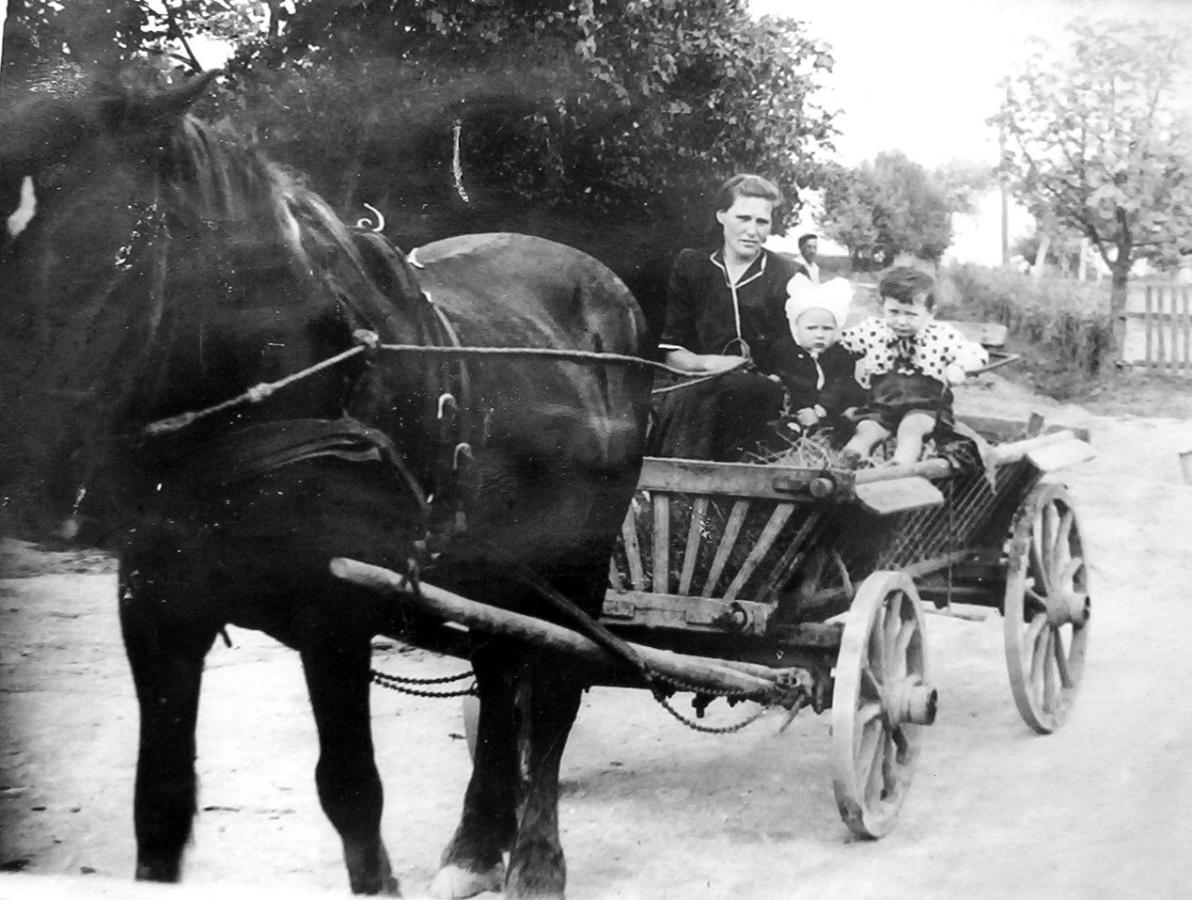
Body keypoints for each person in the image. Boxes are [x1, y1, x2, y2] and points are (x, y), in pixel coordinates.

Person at [651, 173, 805, 460]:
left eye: (762, 222)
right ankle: (672, 486)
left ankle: (689, 487)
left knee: (732, 390)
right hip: (698, 383)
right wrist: (712, 363)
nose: (752, 231)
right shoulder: (693, 266)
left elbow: (799, 356)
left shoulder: (786, 275)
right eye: (743, 218)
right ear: (722, 215)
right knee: (686, 396)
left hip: (765, 392)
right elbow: (673, 352)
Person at [839, 266, 988, 467]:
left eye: (910, 314)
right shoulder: (873, 329)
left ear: (930, 312)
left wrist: (959, 367)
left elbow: (976, 354)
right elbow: (843, 343)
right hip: (882, 406)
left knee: (911, 428)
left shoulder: (942, 335)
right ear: (883, 306)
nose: (901, 321)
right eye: (893, 312)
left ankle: (900, 466)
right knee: (867, 428)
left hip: (926, 408)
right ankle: (851, 460)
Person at [782, 276, 865, 434]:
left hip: (833, 401)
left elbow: (838, 384)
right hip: (803, 403)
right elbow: (793, 383)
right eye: (811, 328)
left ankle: (842, 424)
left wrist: (822, 408)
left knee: (852, 397)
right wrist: (805, 407)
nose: (819, 335)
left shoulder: (840, 352)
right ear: (796, 329)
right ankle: (795, 427)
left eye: (827, 329)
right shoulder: (789, 352)